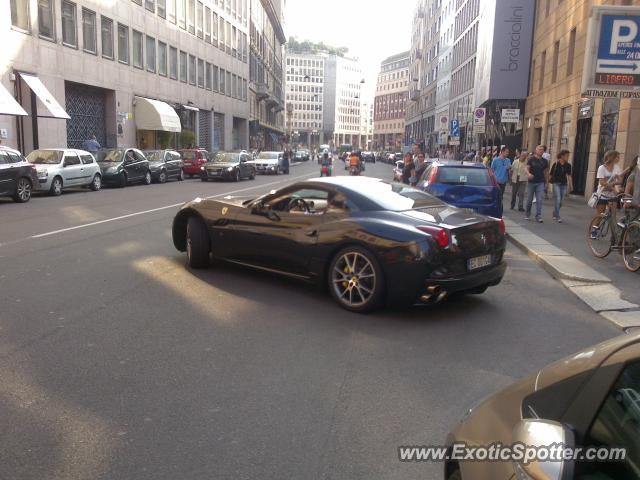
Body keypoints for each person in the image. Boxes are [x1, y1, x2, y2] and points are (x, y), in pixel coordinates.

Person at [525, 145, 549, 223]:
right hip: (531, 183)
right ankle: (527, 213)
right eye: (539, 149)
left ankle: (538, 216)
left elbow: (546, 173)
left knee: (539, 199)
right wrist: (528, 174)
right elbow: (526, 168)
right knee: (529, 200)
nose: (541, 151)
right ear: (536, 150)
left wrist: (546, 182)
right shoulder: (531, 159)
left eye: (542, 150)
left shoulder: (545, 161)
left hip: (540, 182)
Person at [595, 150, 623, 215]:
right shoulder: (602, 168)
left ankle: (609, 224)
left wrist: (613, 184)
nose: (619, 159)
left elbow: (620, 180)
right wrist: (613, 188)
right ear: (612, 157)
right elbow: (602, 182)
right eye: (617, 157)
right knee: (600, 215)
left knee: (612, 215)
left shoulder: (617, 168)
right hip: (602, 194)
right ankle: (595, 225)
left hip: (612, 195)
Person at [549, 150, 573, 223]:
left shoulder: (568, 165)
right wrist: (547, 184)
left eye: (568, 156)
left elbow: (569, 176)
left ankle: (555, 213)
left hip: (564, 184)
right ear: (562, 156)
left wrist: (571, 185)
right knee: (558, 199)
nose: (568, 157)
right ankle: (558, 216)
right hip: (556, 183)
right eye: (567, 156)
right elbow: (550, 174)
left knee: (561, 201)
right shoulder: (556, 164)